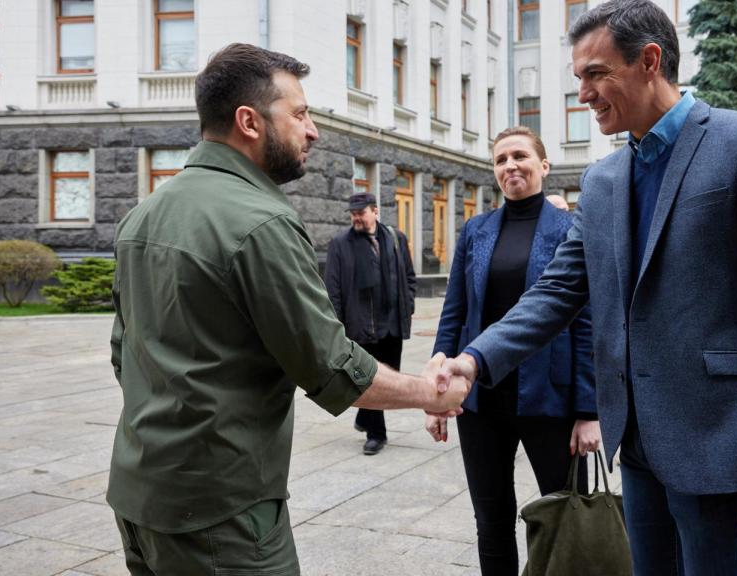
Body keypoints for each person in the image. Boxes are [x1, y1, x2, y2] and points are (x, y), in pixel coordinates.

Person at [435, 2, 737, 574]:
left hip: (720, 448)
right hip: (639, 449)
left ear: (650, 61)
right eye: (579, 78)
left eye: (596, 75)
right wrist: (473, 361)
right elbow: (555, 293)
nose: (584, 94)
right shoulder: (603, 179)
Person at [107, 44, 469, 576]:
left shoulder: (144, 215)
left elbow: (124, 354)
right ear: (249, 122)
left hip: (139, 495)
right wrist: (435, 392)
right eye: (299, 114)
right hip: (221, 515)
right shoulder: (261, 221)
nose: (313, 129)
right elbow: (330, 367)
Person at [426, 126, 600, 576]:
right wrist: (436, 393)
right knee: (492, 521)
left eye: (520, 156)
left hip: (551, 400)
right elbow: (455, 314)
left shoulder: (570, 230)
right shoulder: (476, 231)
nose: (510, 166)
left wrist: (589, 410)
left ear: (544, 165)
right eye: (500, 160)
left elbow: (586, 322)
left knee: (566, 517)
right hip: (481, 402)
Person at [325, 191, 417, 455]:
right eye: (353, 213)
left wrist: (408, 304)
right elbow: (333, 290)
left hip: (393, 324)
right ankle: (377, 434)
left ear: (375, 212)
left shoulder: (396, 239)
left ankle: (365, 417)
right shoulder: (340, 244)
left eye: (361, 212)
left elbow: (409, 277)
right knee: (371, 381)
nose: (356, 217)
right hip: (361, 327)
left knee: (392, 377)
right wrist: (337, 326)